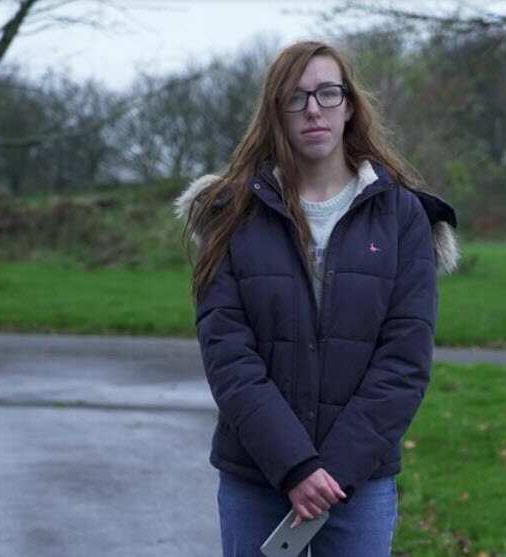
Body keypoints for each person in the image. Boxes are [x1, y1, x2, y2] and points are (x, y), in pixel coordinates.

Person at [175, 40, 459, 557]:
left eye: (328, 93)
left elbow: (405, 359)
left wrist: (333, 473)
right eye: (296, 96)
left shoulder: (402, 218)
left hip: (359, 482)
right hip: (255, 477)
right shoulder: (231, 216)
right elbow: (229, 358)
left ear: (350, 106)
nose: (313, 109)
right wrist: (295, 467)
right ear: (274, 112)